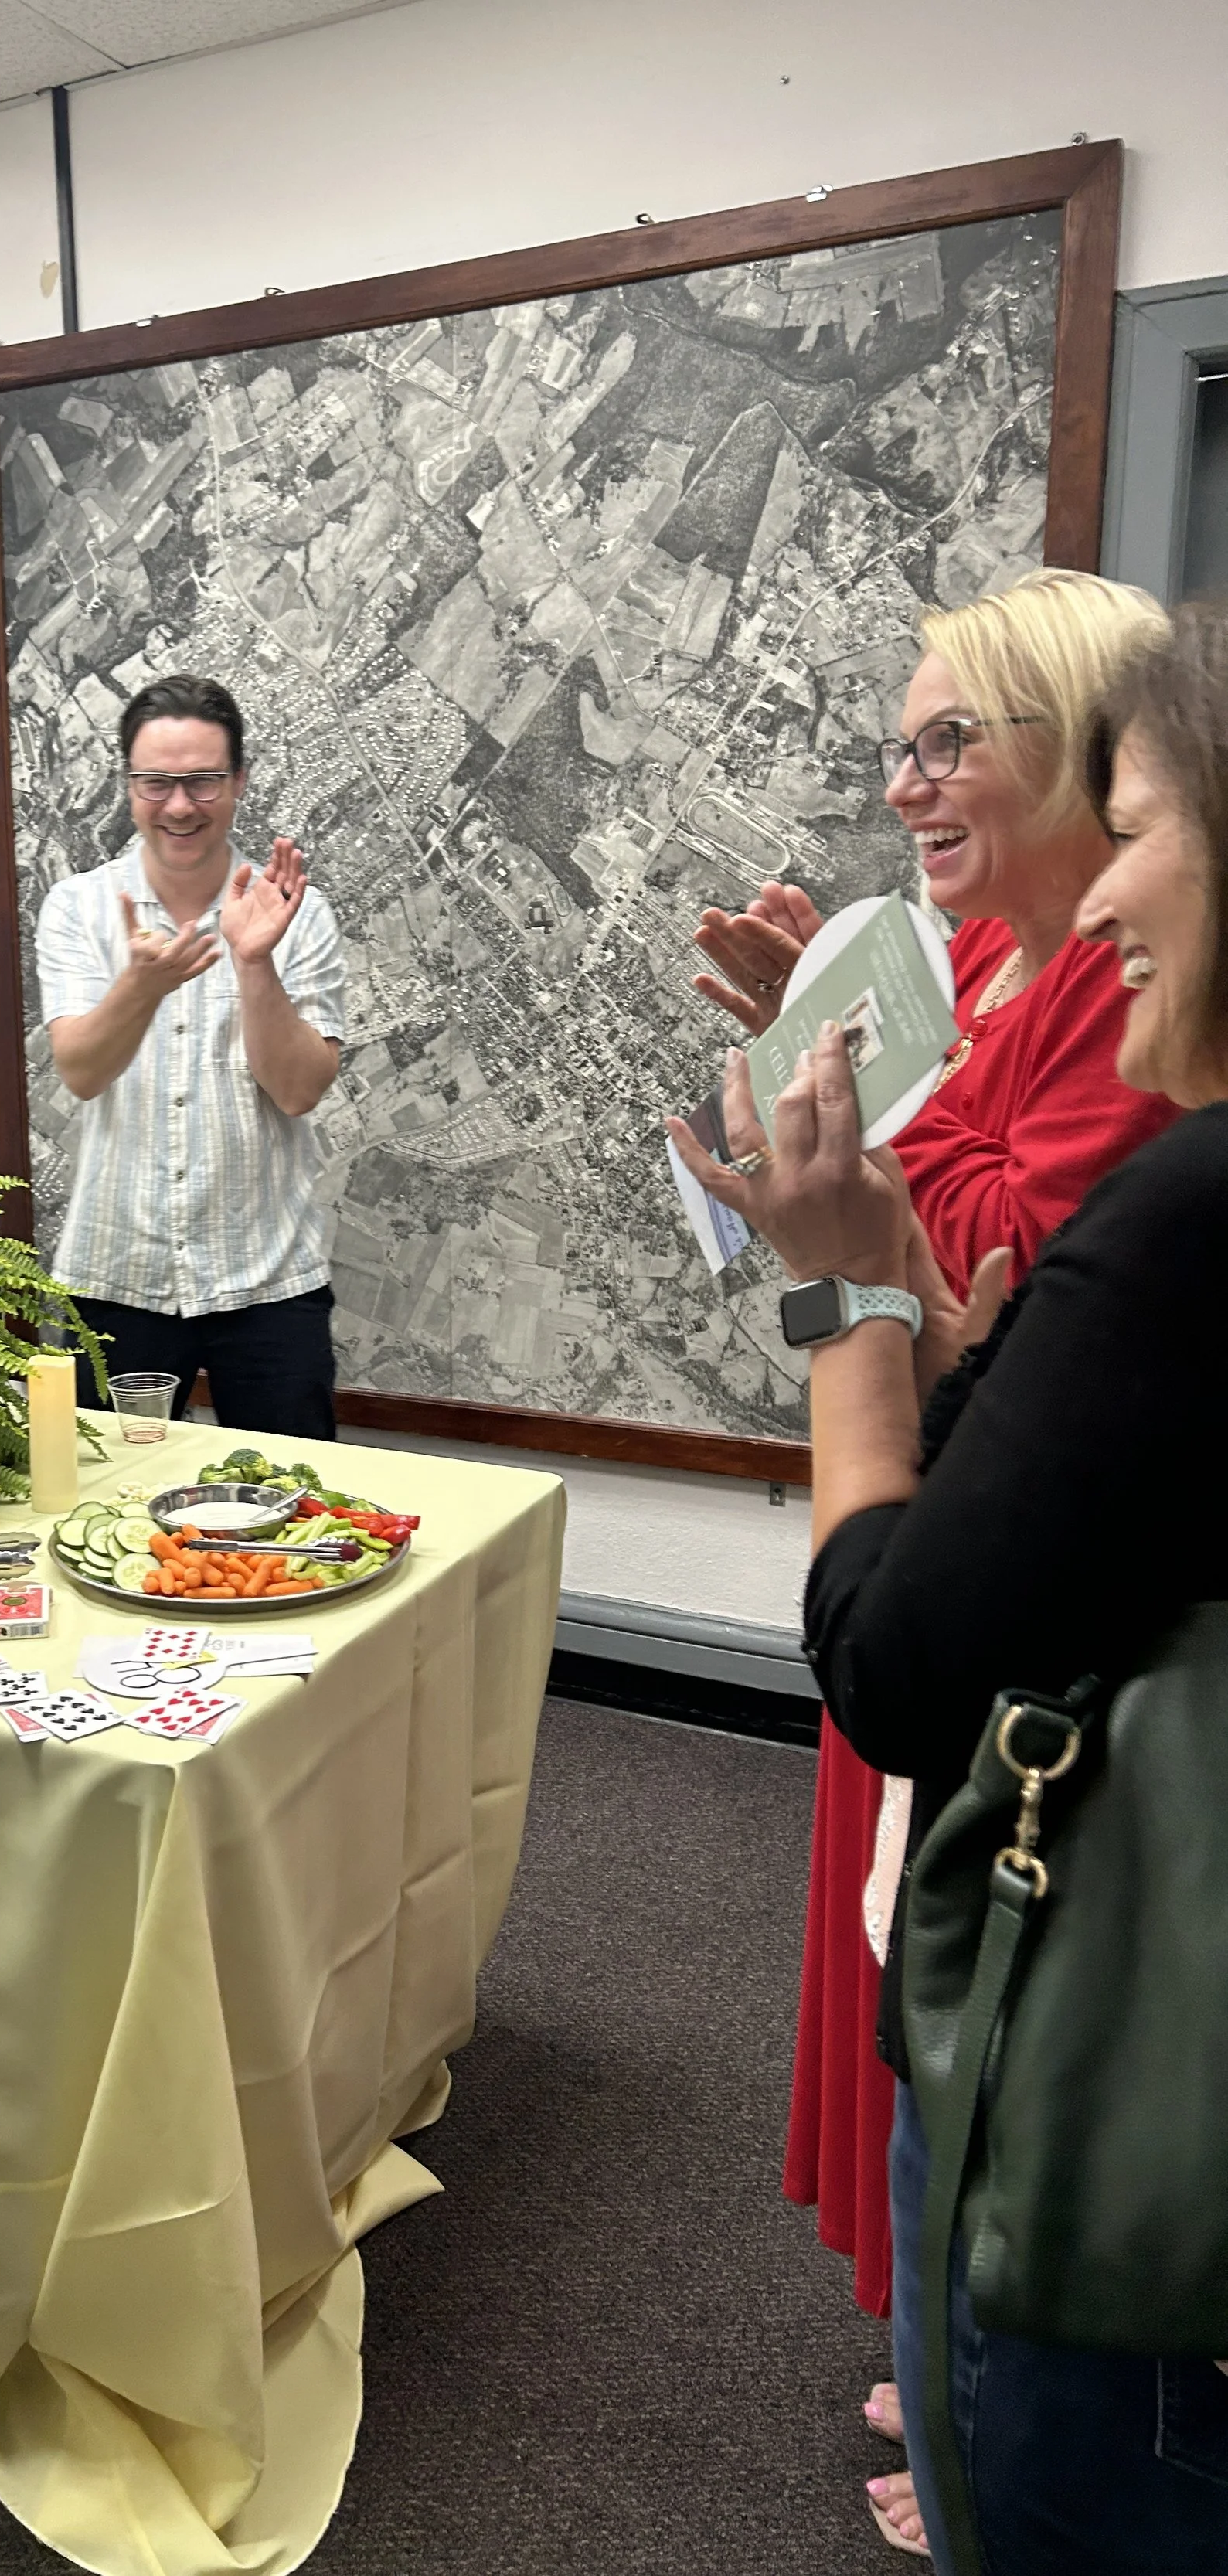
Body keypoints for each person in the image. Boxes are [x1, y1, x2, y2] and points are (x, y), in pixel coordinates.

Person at [669, 597, 1228, 2574]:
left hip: (1038, 1705)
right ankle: (943, 2321)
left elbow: (989, 1314)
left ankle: (980, 2337)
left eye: (1146, 817)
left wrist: (844, 1283)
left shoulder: (1178, 1171)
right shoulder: (968, 959)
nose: (906, 784)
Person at [37, 672, 348, 1440]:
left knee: (288, 1516)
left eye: (203, 781)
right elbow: (81, 1071)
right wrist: (140, 987)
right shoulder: (77, 907)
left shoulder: (294, 916)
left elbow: (300, 1090)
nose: (179, 806)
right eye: (156, 782)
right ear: (128, 784)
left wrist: (253, 962)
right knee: (104, 1513)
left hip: (269, 1280)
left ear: (238, 782)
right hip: (117, 1272)